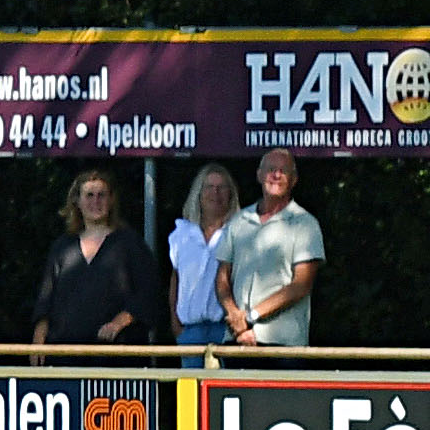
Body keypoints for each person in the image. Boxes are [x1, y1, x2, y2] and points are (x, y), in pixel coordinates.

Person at [33, 168, 155, 349]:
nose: (95, 201)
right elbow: (45, 298)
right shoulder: (62, 247)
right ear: (77, 201)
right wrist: (38, 339)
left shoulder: (130, 244)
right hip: (66, 353)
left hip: (116, 354)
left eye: (102, 195)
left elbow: (148, 294)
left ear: (111, 200)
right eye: (89, 195)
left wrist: (119, 322)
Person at [217, 148, 326, 348]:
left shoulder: (305, 224)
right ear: (259, 175)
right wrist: (234, 315)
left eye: (283, 171)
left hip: (282, 344)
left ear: (294, 180)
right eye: (271, 169)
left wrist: (250, 318)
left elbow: (301, 285)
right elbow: (222, 276)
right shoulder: (238, 221)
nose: (276, 175)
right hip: (237, 339)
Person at [166, 165, 241, 349]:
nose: (215, 193)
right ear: (198, 193)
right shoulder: (182, 234)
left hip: (225, 330)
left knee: (223, 380)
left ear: (231, 194)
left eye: (222, 187)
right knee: (190, 379)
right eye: (209, 187)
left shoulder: (239, 233)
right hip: (189, 332)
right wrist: (176, 325)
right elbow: (176, 280)